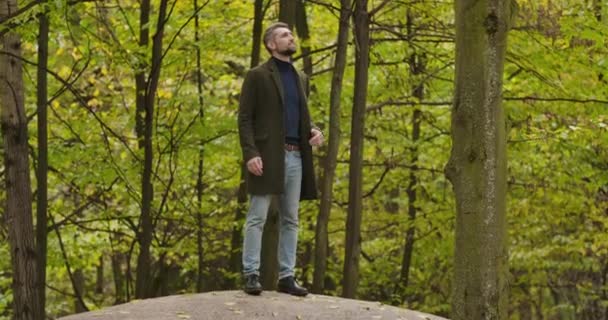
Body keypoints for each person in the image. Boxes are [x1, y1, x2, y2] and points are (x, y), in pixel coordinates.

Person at [238, 22, 323, 297]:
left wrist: (314, 131)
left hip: (296, 155)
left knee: (291, 219)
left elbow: (298, 117)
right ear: (271, 44)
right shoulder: (257, 75)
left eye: (291, 34)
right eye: (284, 35)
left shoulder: (301, 77)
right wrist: (250, 153)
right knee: (257, 217)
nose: (291, 38)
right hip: (267, 156)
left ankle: (286, 276)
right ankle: (251, 273)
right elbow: (245, 118)